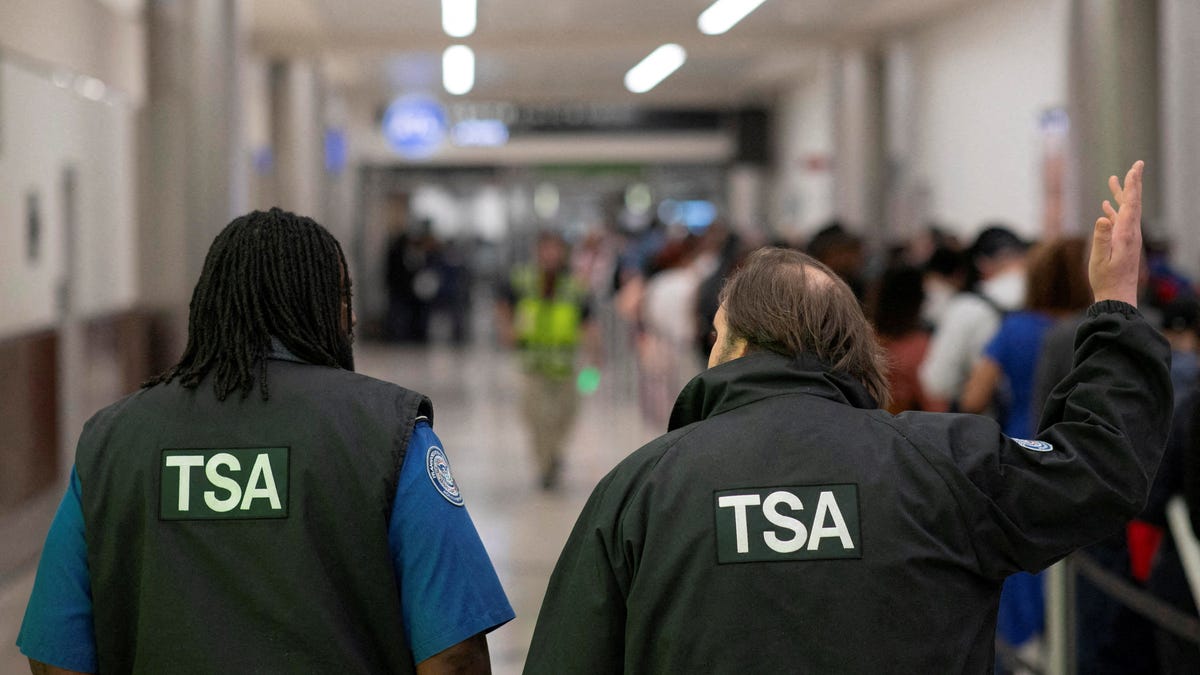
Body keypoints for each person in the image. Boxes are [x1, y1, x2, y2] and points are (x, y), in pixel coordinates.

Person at [523, 161, 1172, 673]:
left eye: (718, 334)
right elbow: (1099, 467)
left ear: (741, 345)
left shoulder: (641, 489)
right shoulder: (948, 462)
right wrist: (1114, 302)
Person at [17, 208, 513, 674]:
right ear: (320, 305)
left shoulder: (112, 442)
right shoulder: (392, 433)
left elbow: (55, 653)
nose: (355, 320)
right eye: (346, 300)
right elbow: (456, 654)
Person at [497, 232, 597, 489]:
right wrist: (507, 329)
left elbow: (587, 318)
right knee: (536, 416)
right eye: (546, 249)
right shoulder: (524, 279)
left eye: (555, 249)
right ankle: (545, 465)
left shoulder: (575, 284)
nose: (550, 255)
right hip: (533, 361)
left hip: (565, 361)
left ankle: (554, 453)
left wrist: (595, 353)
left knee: (566, 414)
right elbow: (504, 302)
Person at [919, 224, 1028, 409]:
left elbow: (937, 383)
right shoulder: (1057, 301)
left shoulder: (968, 307)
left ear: (981, 263)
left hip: (992, 428)